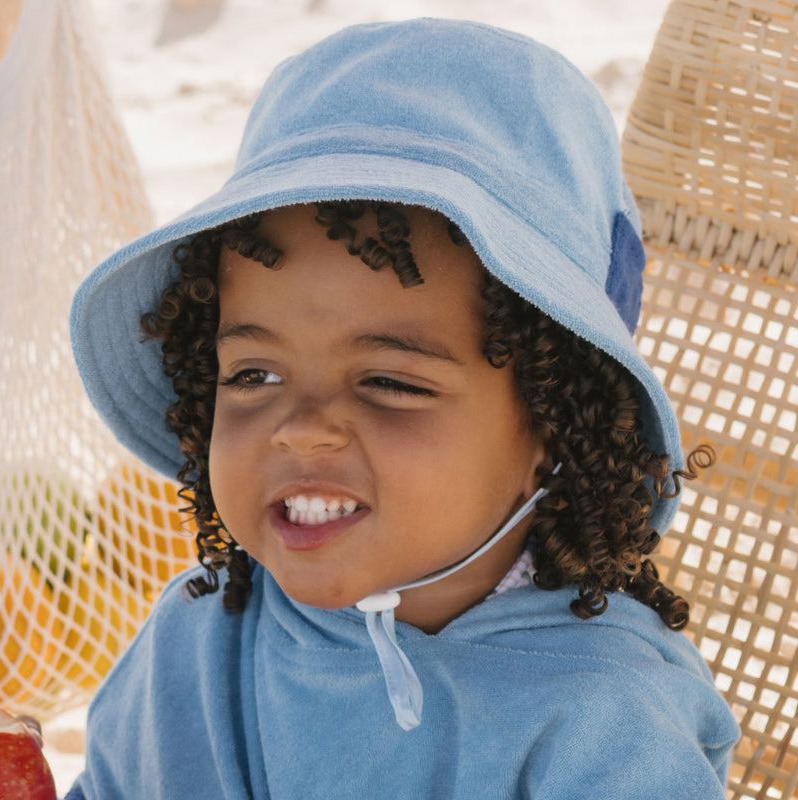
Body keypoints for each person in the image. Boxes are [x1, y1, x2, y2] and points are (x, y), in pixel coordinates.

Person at [62, 18, 738, 799]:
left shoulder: (602, 721)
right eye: (252, 373)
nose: (302, 427)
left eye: (390, 382)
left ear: (551, 428)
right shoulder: (198, 640)